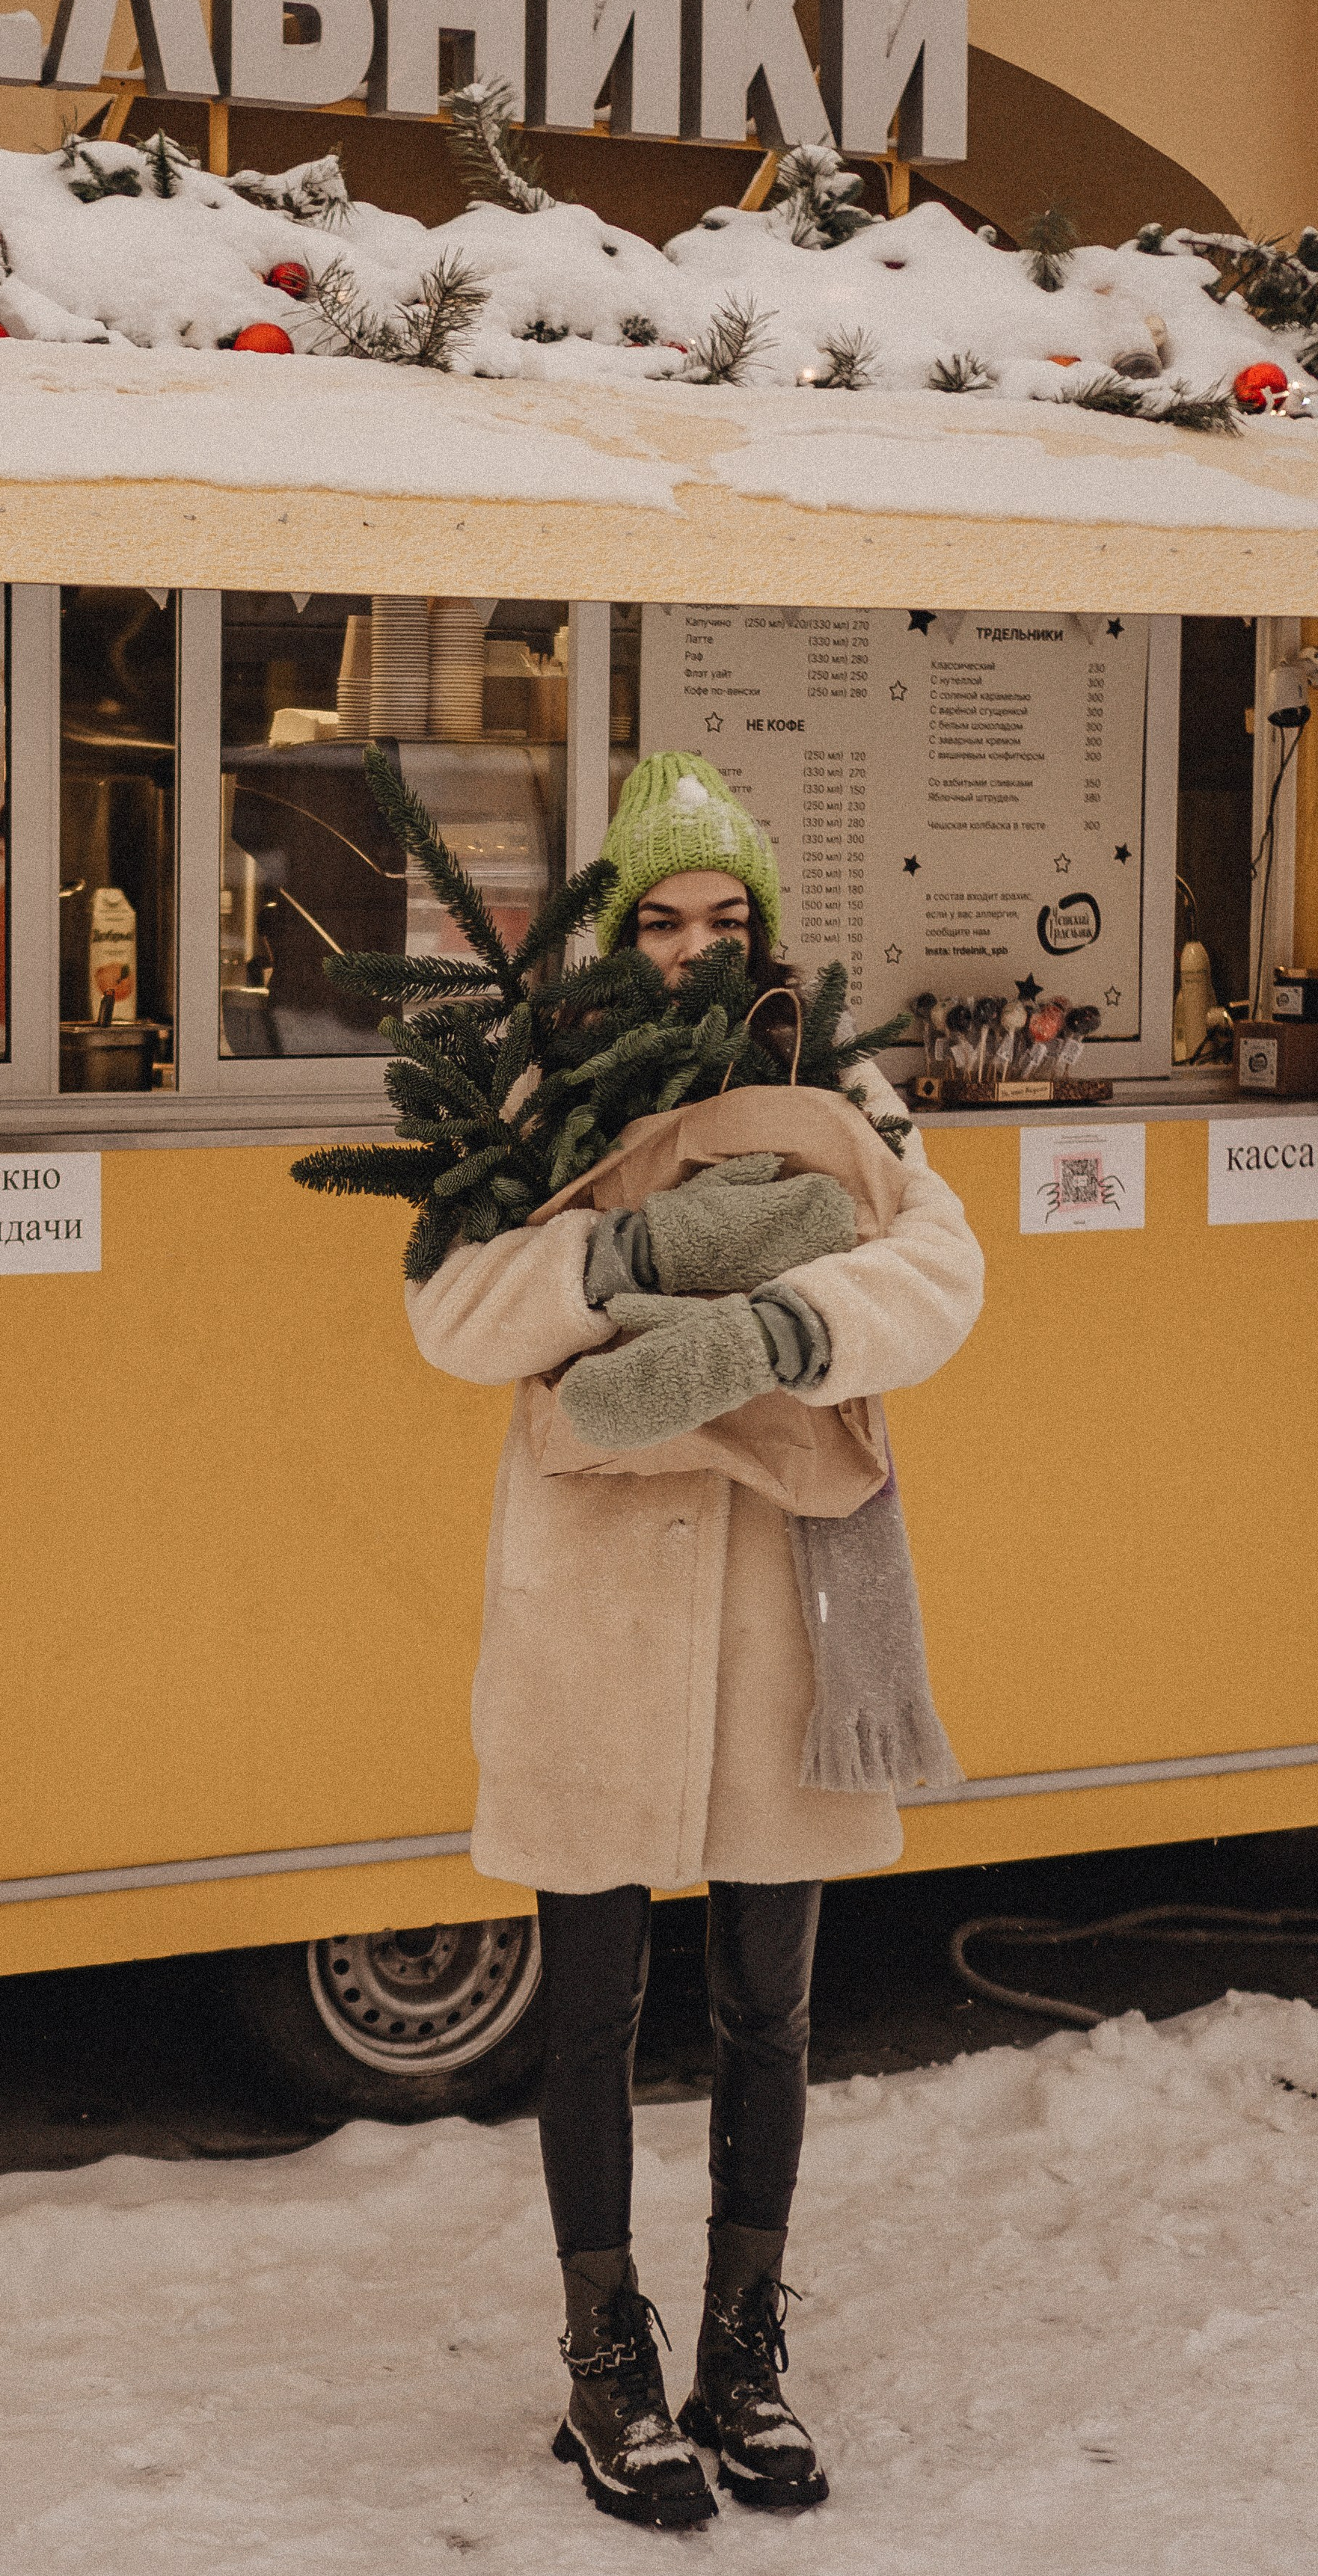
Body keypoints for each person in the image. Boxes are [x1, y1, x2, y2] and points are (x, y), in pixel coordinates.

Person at [405, 754, 984, 2532]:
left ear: (757, 934)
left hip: (775, 1596)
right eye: (652, 921)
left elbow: (939, 1271)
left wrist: (769, 1332)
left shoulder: (836, 1085)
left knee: (769, 2002)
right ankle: (604, 2366)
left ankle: (742, 2345)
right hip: (591, 1593)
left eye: (716, 921)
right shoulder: (531, 1094)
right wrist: (632, 1247)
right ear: (604, 935)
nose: (685, 952)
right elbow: (453, 1309)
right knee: (587, 2008)